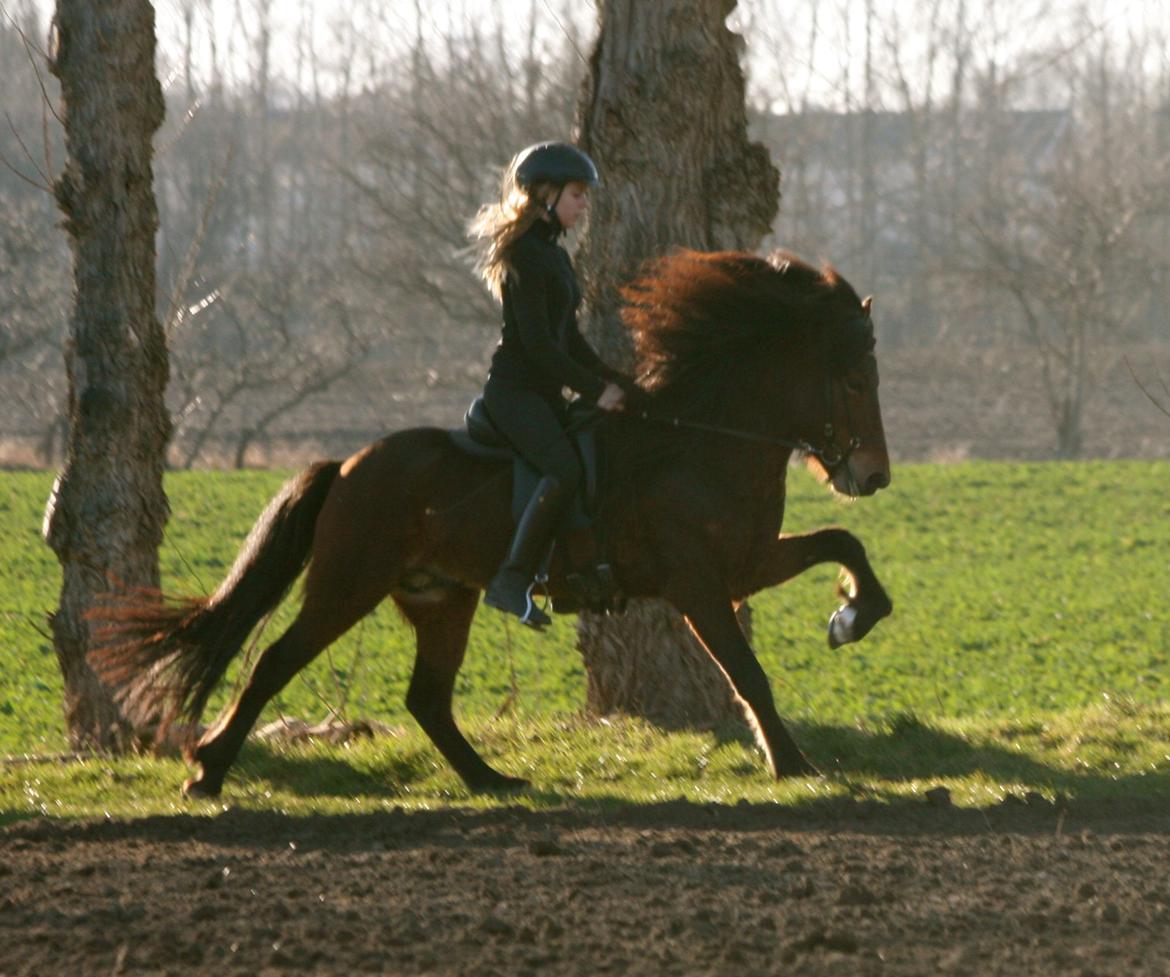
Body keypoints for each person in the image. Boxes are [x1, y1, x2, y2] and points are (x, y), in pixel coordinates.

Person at [468, 141, 632, 629]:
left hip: (541, 393)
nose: (584, 205)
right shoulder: (524, 254)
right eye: (578, 195)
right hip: (514, 394)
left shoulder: (555, 256)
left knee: (592, 458)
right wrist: (592, 388)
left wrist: (614, 379)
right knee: (563, 469)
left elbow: (570, 339)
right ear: (545, 194)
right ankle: (511, 581)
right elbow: (540, 347)